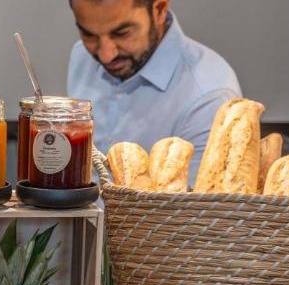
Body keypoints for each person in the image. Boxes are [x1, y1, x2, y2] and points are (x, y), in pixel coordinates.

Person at [67, 0, 241, 181]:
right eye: (88, 35)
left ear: (159, 9)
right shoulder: (81, 56)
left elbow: (194, 208)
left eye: (122, 33)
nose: (106, 55)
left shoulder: (209, 97)